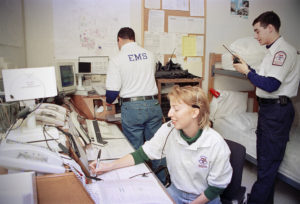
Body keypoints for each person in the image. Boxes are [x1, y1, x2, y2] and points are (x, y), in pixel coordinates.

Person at [90, 85, 233, 204]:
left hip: (205, 198)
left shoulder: (215, 144)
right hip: (176, 191)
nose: (170, 113)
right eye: (170, 108)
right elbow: (142, 154)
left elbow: (216, 187)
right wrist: (107, 166)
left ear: (195, 112)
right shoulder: (169, 129)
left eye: (176, 109)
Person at [233, 11, 299, 204]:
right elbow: (263, 79)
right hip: (269, 111)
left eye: (257, 31)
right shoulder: (270, 53)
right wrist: (247, 69)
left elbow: (271, 85)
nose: (255, 36)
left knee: (268, 164)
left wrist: (246, 72)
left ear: (270, 28)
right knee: (265, 162)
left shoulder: (283, 51)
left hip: (277, 111)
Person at [105, 27, 165, 182]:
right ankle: (165, 183)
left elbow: (111, 95)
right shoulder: (150, 55)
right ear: (133, 38)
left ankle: (141, 184)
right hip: (153, 105)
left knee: (135, 151)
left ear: (119, 40)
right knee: (157, 147)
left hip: (132, 109)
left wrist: (107, 102)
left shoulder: (117, 59)